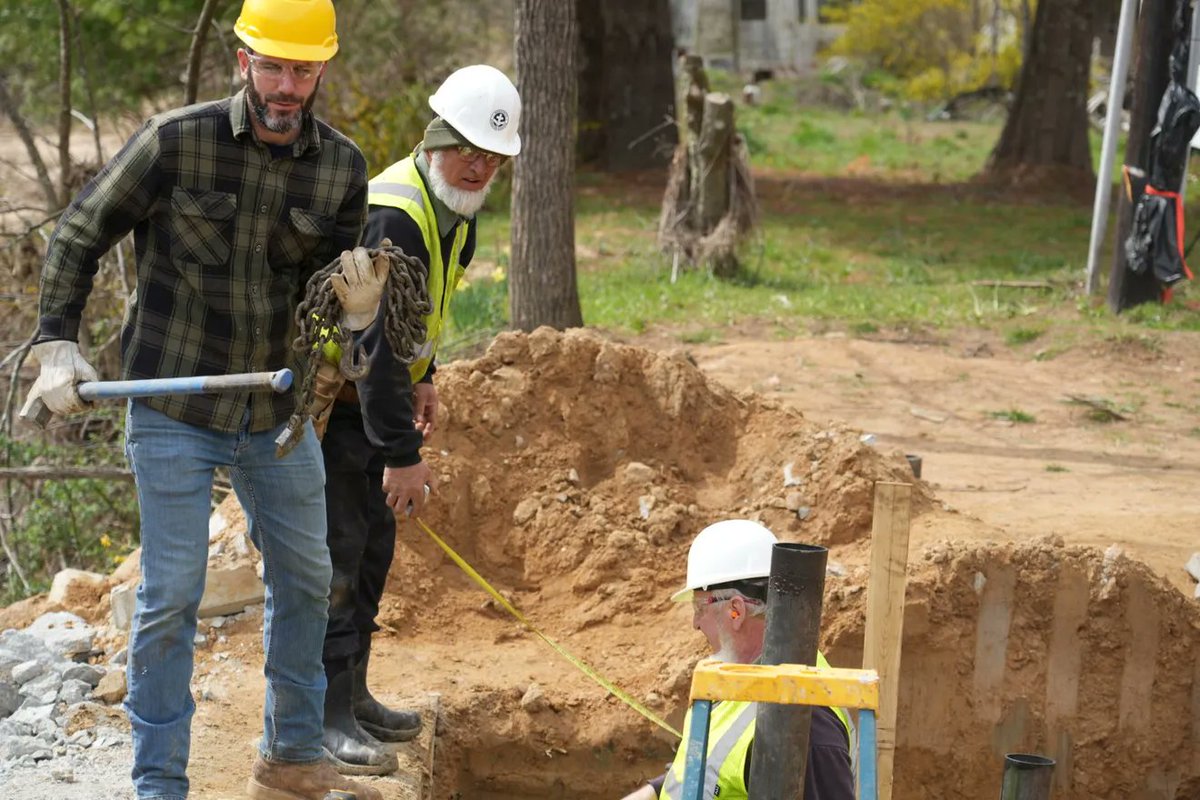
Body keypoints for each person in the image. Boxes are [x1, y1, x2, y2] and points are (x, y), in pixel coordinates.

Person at [21, 1, 387, 798]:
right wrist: (55, 341)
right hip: (173, 409)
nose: (287, 87)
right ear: (241, 59)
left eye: (303, 70)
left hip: (274, 412)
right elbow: (81, 232)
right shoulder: (173, 142)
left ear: (322, 68)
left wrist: (357, 319)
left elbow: (329, 316)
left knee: (307, 574)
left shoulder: (340, 170)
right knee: (172, 593)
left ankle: (290, 753)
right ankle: (160, 783)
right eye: (273, 67)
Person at [315, 64, 523, 774]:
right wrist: (402, 454)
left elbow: (414, 315)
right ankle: (324, 716)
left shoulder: (453, 212)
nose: (479, 165)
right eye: (468, 148)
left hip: (376, 403)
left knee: (372, 551)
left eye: (493, 157)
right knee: (341, 556)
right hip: (339, 407)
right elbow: (368, 346)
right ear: (435, 136)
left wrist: (427, 376)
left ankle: (355, 695)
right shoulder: (398, 211)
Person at [620, 520, 855, 800]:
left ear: (735, 610)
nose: (695, 623)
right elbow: (711, 767)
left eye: (699, 607)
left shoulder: (805, 723)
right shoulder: (739, 678)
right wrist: (652, 791)